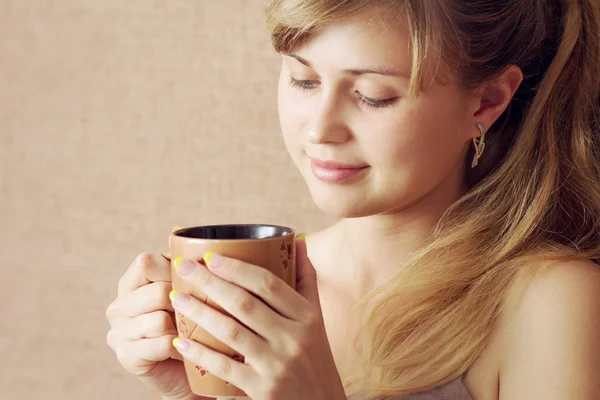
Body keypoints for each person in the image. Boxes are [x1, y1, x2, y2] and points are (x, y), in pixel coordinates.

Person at [106, 1, 600, 399]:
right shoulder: (269, 289)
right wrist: (197, 393)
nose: (320, 129)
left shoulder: (549, 304)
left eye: (372, 95)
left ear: (487, 101)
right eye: (304, 79)